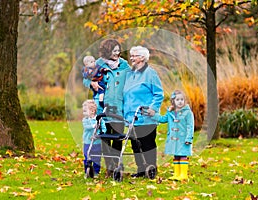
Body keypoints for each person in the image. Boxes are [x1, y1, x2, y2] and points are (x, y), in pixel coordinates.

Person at [83, 39, 130, 177]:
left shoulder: (124, 65)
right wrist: (92, 83)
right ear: (107, 51)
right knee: (104, 138)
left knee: (117, 137)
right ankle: (110, 166)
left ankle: (117, 165)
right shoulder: (98, 64)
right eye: (114, 50)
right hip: (102, 108)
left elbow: (132, 79)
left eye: (118, 50)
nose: (117, 53)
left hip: (118, 107)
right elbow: (85, 78)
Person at [123, 46, 164, 178]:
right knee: (135, 144)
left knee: (147, 144)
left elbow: (159, 94)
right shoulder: (131, 74)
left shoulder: (150, 73)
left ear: (142, 58)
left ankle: (151, 169)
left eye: (134, 55)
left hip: (145, 117)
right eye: (131, 55)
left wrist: (152, 109)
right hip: (131, 117)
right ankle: (141, 170)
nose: (131, 58)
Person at [154, 90, 194, 180]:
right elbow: (163, 119)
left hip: (183, 139)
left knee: (183, 155)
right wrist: (154, 115)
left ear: (185, 101)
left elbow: (190, 126)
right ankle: (177, 174)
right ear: (173, 102)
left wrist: (189, 138)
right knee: (176, 155)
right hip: (174, 139)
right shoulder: (171, 112)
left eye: (182, 99)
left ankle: (183, 175)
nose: (180, 101)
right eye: (177, 99)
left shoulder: (188, 113)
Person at [82, 99, 106, 178]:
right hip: (87, 142)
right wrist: (94, 126)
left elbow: (103, 128)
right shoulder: (85, 120)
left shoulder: (99, 119)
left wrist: (99, 134)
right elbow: (87, 127)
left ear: (92, 111)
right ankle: (87, 171)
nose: (84, 113)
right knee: (87, 156)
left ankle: (96, 171)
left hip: (97, 142)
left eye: (85, 111)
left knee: (96, 157)